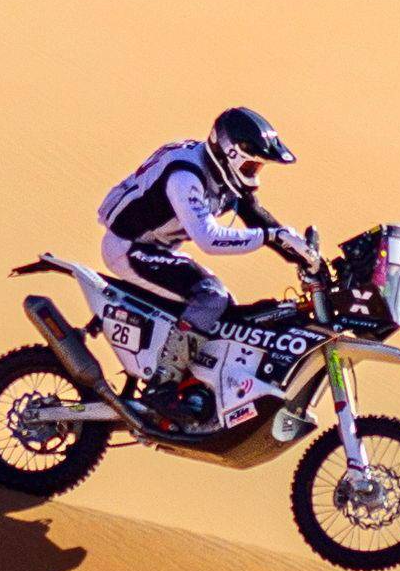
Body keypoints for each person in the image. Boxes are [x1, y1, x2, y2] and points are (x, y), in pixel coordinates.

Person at [96, 106, 315, 427]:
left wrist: (303, 257)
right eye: (252, 164)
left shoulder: (221, 173)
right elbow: (208, 239)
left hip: (157, 249)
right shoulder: (186, 176)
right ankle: (163, 385)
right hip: (129, 247)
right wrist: (271, 235)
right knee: (211, 297)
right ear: (230, 153)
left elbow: (255, 215)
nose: (255, 172)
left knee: (224, 309)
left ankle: (194, 387)